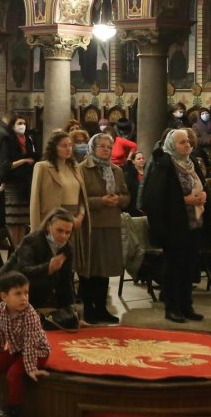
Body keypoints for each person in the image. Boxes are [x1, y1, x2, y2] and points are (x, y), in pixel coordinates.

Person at [141, 128, 209, 323]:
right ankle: (172, 307)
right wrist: (185, 200)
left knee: (189, 267)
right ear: (172, 145)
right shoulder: (164, 164)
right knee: (174, 267)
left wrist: (204, 195)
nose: (187, 144)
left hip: (194, 223)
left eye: (187, 141)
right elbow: (155, 198)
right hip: (174, 225)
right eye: (181, 142)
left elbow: (201, 186)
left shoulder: (192, 163)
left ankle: (187, 305)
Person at [0, 270, 51, 417]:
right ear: (4, 297)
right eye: (18, 293)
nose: (24, 298)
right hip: (16, 349)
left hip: (37, 352)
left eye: (26, 292)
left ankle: (14, 412)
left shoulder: (30, 314)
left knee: (13, 374)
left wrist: (30, 368)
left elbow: (31, 343)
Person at [0, 209, 77, 328]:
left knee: (68, 322)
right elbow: (23, 272)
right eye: (59, 230)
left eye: (68, 232)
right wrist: (48, 267)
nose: (63, 236)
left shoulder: (68, 247)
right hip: (13, 288)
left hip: (41, 291)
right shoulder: (32, 240)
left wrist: (72, 312)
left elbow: (66, 282)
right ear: (49, 226)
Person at [79, 133, 127, 325]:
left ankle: (101, 308)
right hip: (92, 224)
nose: (106, 150)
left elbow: (126, 195)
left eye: (109, 146)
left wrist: (119, 200)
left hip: (111, 223)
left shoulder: (116, 170)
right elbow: (79, 198)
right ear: (93, 148)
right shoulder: (82, 169)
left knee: (105, 269)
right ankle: (88, 309)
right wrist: (101, 201)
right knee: (90, 268)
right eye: (102, 146)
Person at [28, 131, 91, 278]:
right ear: (54, 147)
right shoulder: (42, 167)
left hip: (75, 219)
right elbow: (35, 200)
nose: (68, 149)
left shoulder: (75, 167)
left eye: (70, 145)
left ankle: (68, 294)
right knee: (52, 264)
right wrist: (36, 230)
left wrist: (80, 215)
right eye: (64, 146)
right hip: (53, 219)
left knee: (70, 264)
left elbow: (82, 196)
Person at [0, 115, 38, 247]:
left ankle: (20, 249)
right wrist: (24, 160)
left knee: (22, 220)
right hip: (12, 182)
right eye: (19, 123)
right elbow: (6, 164)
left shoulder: (29, 139)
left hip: (25, 183)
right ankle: (15, 249)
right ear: (12, 126)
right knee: (13, 220)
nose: (22, 125)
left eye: (24, 123)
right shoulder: (8, 140)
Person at [123, 148, 147, 218]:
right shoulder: (129, 175)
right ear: (133, 161)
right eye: (139, 159)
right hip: (134, 208)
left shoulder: (149, 173)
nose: (142, 160)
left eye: (143, 158)